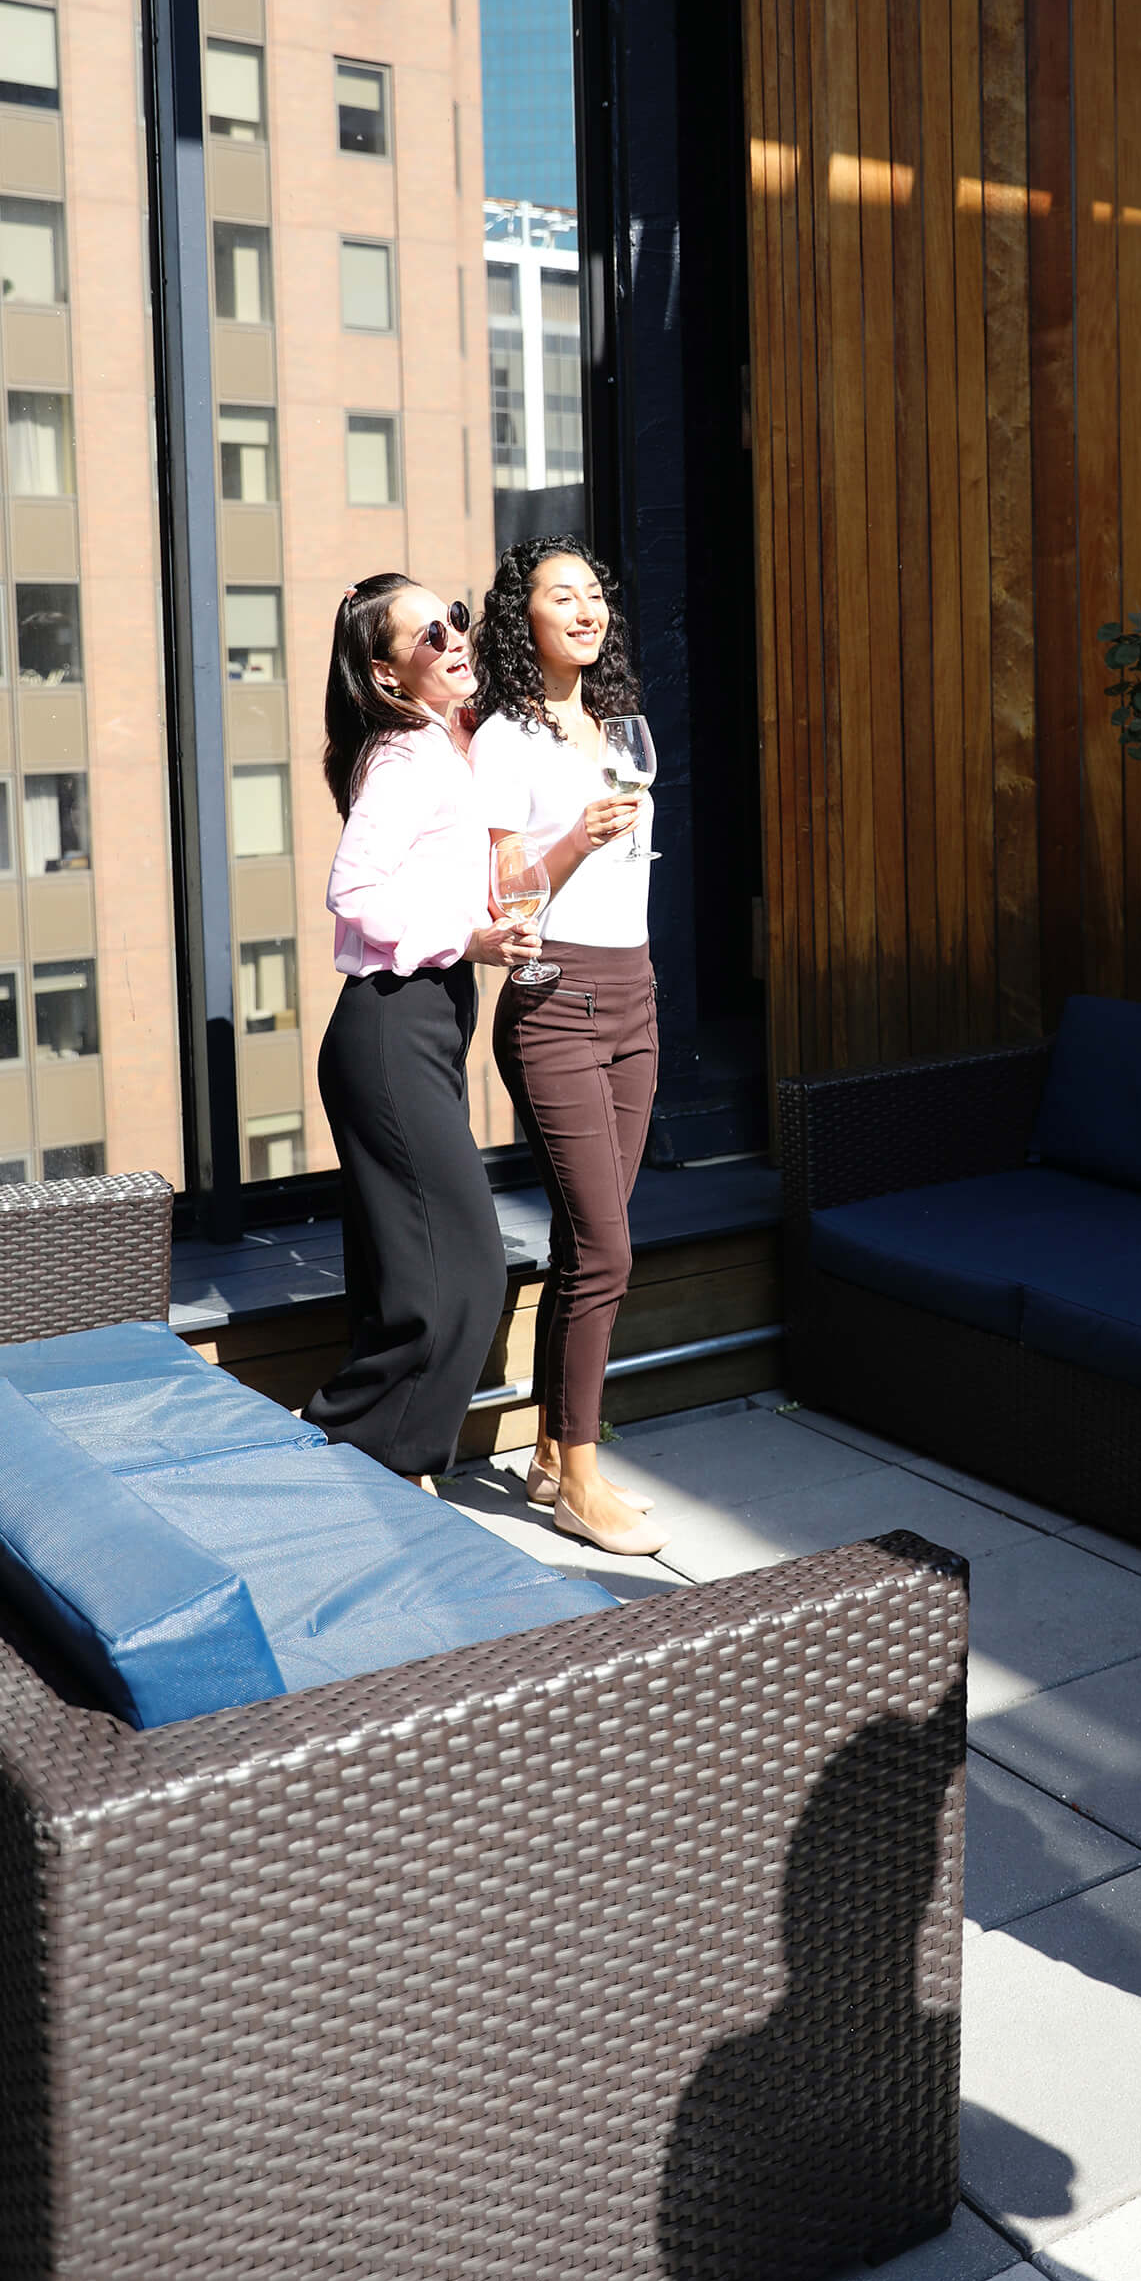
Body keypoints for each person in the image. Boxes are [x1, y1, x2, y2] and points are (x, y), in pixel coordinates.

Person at [308, 572, 535, 1489]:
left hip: (419, 1027)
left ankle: (375, 1478)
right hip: (392, 1026)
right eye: (430, 634)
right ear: (388, 671)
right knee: (465, 1274)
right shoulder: (407, 756)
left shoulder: (439, 746)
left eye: (457, 620)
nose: (455, 639)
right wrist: (468, 937)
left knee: (403, 1287)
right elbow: (351, 893)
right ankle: (350, 1454)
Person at [469, 537, 663, 1558]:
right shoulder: (506, 736)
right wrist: (575, 838)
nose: (586, 610)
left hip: (636, 993)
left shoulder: (611, 726)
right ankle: (581, 1484)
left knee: (591, 1247)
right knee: (608, 1249)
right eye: (562, 596)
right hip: (558, 1002)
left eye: (595, 594)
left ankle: (549, 1450)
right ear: (523, 617)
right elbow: (506, 894)